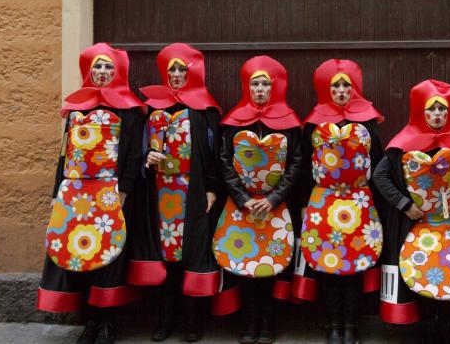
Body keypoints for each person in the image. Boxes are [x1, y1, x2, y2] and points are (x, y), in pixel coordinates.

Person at [372, 80, 450, 344]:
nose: (437, 115)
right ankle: (427, 327)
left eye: (442, 110)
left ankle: (446, 327)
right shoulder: (403, 143)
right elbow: (380, 176)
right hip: (417, 227)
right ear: (421, 112)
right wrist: (404, 204)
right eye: (431, 110)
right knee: (422, 276)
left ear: (449, 114)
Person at [36, 43, 145, 344]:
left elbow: (134, 153)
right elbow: (64, 152)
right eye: (97, 66)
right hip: (75, 192)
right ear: (89, 71)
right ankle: (88, 322)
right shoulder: (76, 107)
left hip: (109, 192)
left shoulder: (129, 109)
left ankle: (107, 322)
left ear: (118, 72)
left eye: (109, 67)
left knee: (109, 257)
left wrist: (123, 191)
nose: (102, 72)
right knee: (80, 254)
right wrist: (57, 190)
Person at [127, 43, 224, 342]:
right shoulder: (153, 107)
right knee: (165, 256)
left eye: (183, 69)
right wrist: (147, 160)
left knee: (192, 254)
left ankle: (193, 320)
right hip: (160, 195)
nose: (178, 75)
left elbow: (213, 152)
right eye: (173, 70)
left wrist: (211, 188)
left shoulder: (204, 109)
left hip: (192, 192)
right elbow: (142, 146)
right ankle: (166, 318)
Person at [292, 59, 385, 344]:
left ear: (354, 89)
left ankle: (351, 325)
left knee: (355, 265)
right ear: (326, 89)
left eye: (347, 85)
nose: (342, 91)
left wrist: (376, 204)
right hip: (324, 203)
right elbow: (305, 167)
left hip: (359, 203)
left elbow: (378, 163)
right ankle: (333, 324)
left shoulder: (367, 121)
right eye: (336, 86)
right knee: (328, 265)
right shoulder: (313, 123)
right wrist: (306, 204)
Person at [213, 56, 303, 344]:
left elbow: (296, 163)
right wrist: (242, 198)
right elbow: (224, 162)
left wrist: (274, 198)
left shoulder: (289, 123)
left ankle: (267, 323)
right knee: (244, 264)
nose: (261, 89)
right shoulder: (233, 122)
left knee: (271, 266)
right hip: (242, 207)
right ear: (247, 87)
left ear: (274, 87)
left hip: (274, 208)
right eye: (255, 84)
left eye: (266, 84)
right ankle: (248, 322)